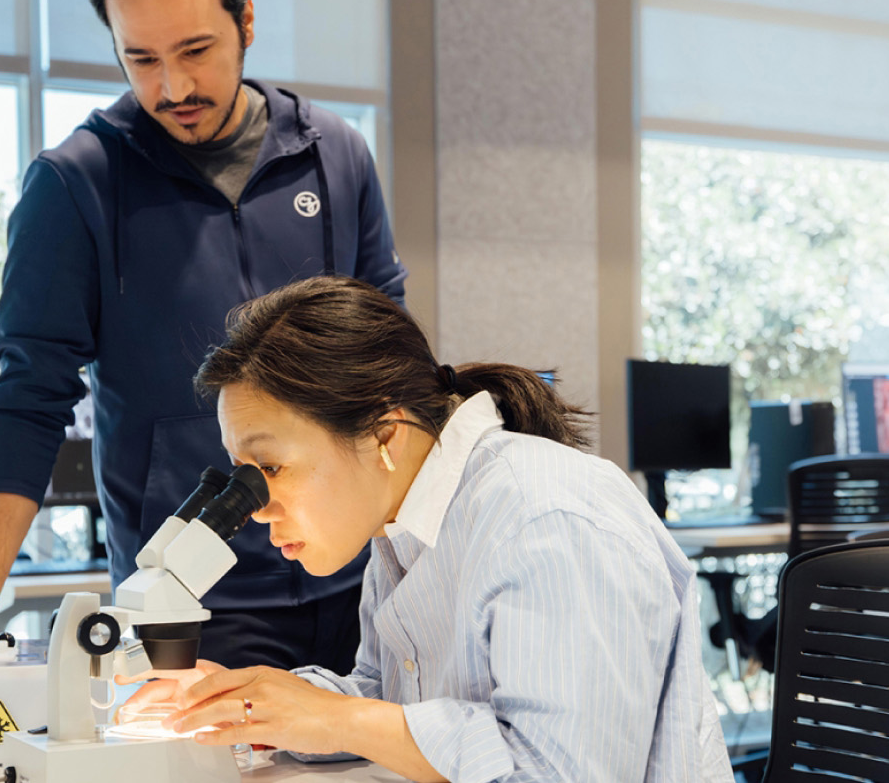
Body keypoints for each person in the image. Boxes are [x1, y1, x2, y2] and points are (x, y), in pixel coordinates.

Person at [0, 0, 407, 676]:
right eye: (143, 60)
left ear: (247, 21)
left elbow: (393, 365)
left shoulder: (335, 156)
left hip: (364, 583)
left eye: (196, 50)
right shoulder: (74, 186)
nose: (172, 87)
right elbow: (27, 404)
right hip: (189, 613)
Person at [128, 276, 733, 782]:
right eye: (243, 478)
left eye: (271, 469)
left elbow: (558, 770)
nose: (256, 509)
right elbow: (389, 702)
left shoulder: (547, 519)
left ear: (384, 433)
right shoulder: (401, 530)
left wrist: (339, 721)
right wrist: (259, 703)